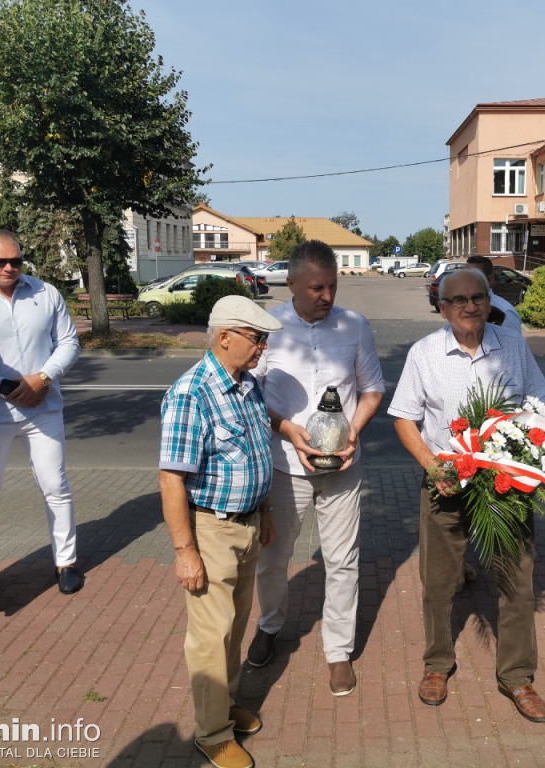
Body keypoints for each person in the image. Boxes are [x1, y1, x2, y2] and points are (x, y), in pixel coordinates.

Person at [389, 268, 545, 723]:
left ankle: (518, 676)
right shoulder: (424, 353)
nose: (469, 306)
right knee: (439, 582)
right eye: (457, 299)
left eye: (477, 297)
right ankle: (437, 665)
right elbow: (405, 418)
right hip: (446, 482)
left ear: (490, 301)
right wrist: (431, 464)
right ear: (442, 308)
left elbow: (540, 403)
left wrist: (531, 447)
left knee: (515, 583)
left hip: (505, 485)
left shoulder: (514, 347)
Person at [247, 241, 385, 697]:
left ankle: (339, 651)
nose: (327, 296)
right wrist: (287, 428)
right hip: (286, 467)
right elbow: (250, 394)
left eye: (332, 286)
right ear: (290, 285)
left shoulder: (355, 326)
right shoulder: (268, 329)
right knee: (273, 558)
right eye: (316, 288)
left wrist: (354, 432)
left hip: (343, 468)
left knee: (343, 561)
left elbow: (371, 389)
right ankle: (269, 626)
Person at [159, 295, 281, 768]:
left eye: (265, 339)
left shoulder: (246, 384)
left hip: (248, 524)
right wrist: (184, 550)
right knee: (211, 635)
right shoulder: (192, 393)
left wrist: (265, 508)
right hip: (210, 529)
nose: (263, 348)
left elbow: (255, 452)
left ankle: (225, 705)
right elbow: (172, 478)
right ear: (224, 337)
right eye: (256, 338)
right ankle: (211, 735)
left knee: (233, 627)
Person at [0, 230, 83, 594]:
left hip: (43, 407)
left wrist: (43, 378)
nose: (10, 268)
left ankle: (66, 562)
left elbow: (69, 341)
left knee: (55, 485)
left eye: (16, 261)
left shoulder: (45, 292)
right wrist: (4, 386)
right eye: (0, 262)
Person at [465, 255, 522, 331]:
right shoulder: (461, 306)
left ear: (490, 280)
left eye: (475, 276)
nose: (468, 281)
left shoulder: (506, 312)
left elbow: (514, 341)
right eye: (466, 276)